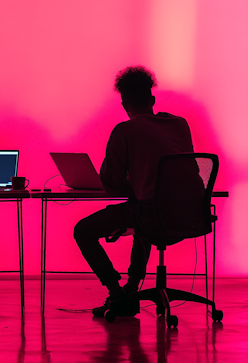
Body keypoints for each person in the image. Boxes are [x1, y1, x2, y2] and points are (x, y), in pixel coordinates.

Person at [73, 66, 195, 317]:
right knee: (143, 218)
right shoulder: (179, 124)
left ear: (123, 104)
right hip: (190, 214)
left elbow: (112, 183)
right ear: (152, 99)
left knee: (83, 231)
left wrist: (132, 179)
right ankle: (132, 286)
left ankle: (117, 293)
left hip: (152, 215)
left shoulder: (124, 131)